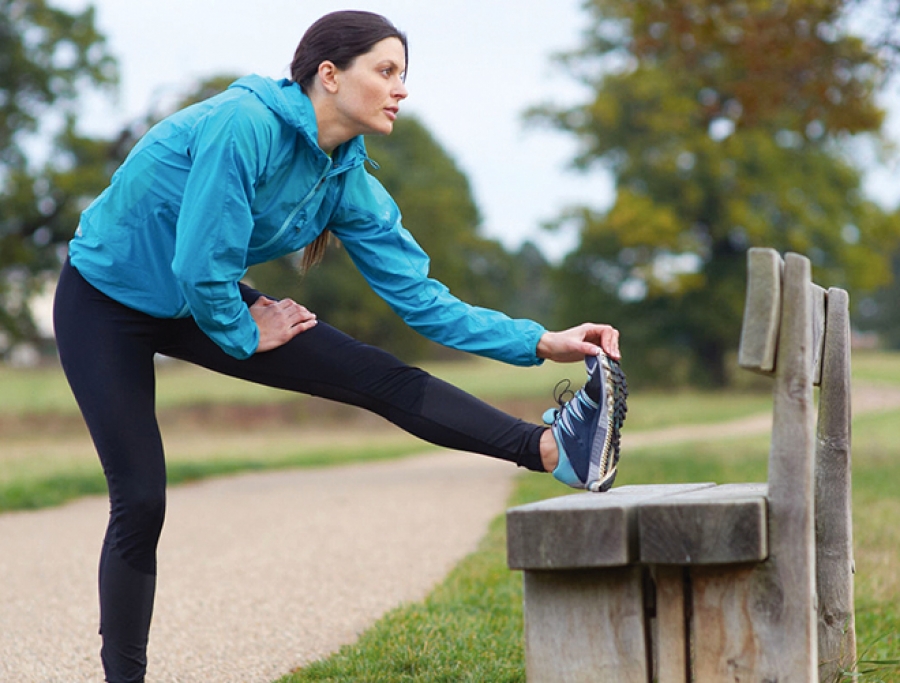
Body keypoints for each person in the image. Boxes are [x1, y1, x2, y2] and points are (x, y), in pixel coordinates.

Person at [52, 10, 627, 682]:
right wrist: (244, 331)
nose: (400, 89)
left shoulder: (345, 179)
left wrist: (539, 341)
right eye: (386, 71)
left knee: (374, 372)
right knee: (142, 496)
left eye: (403, 75)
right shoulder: (246, 126)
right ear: (329, 75)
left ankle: (553, 448)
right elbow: (198, 265)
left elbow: (424, 301)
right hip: (105, 300)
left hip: (194, 294)